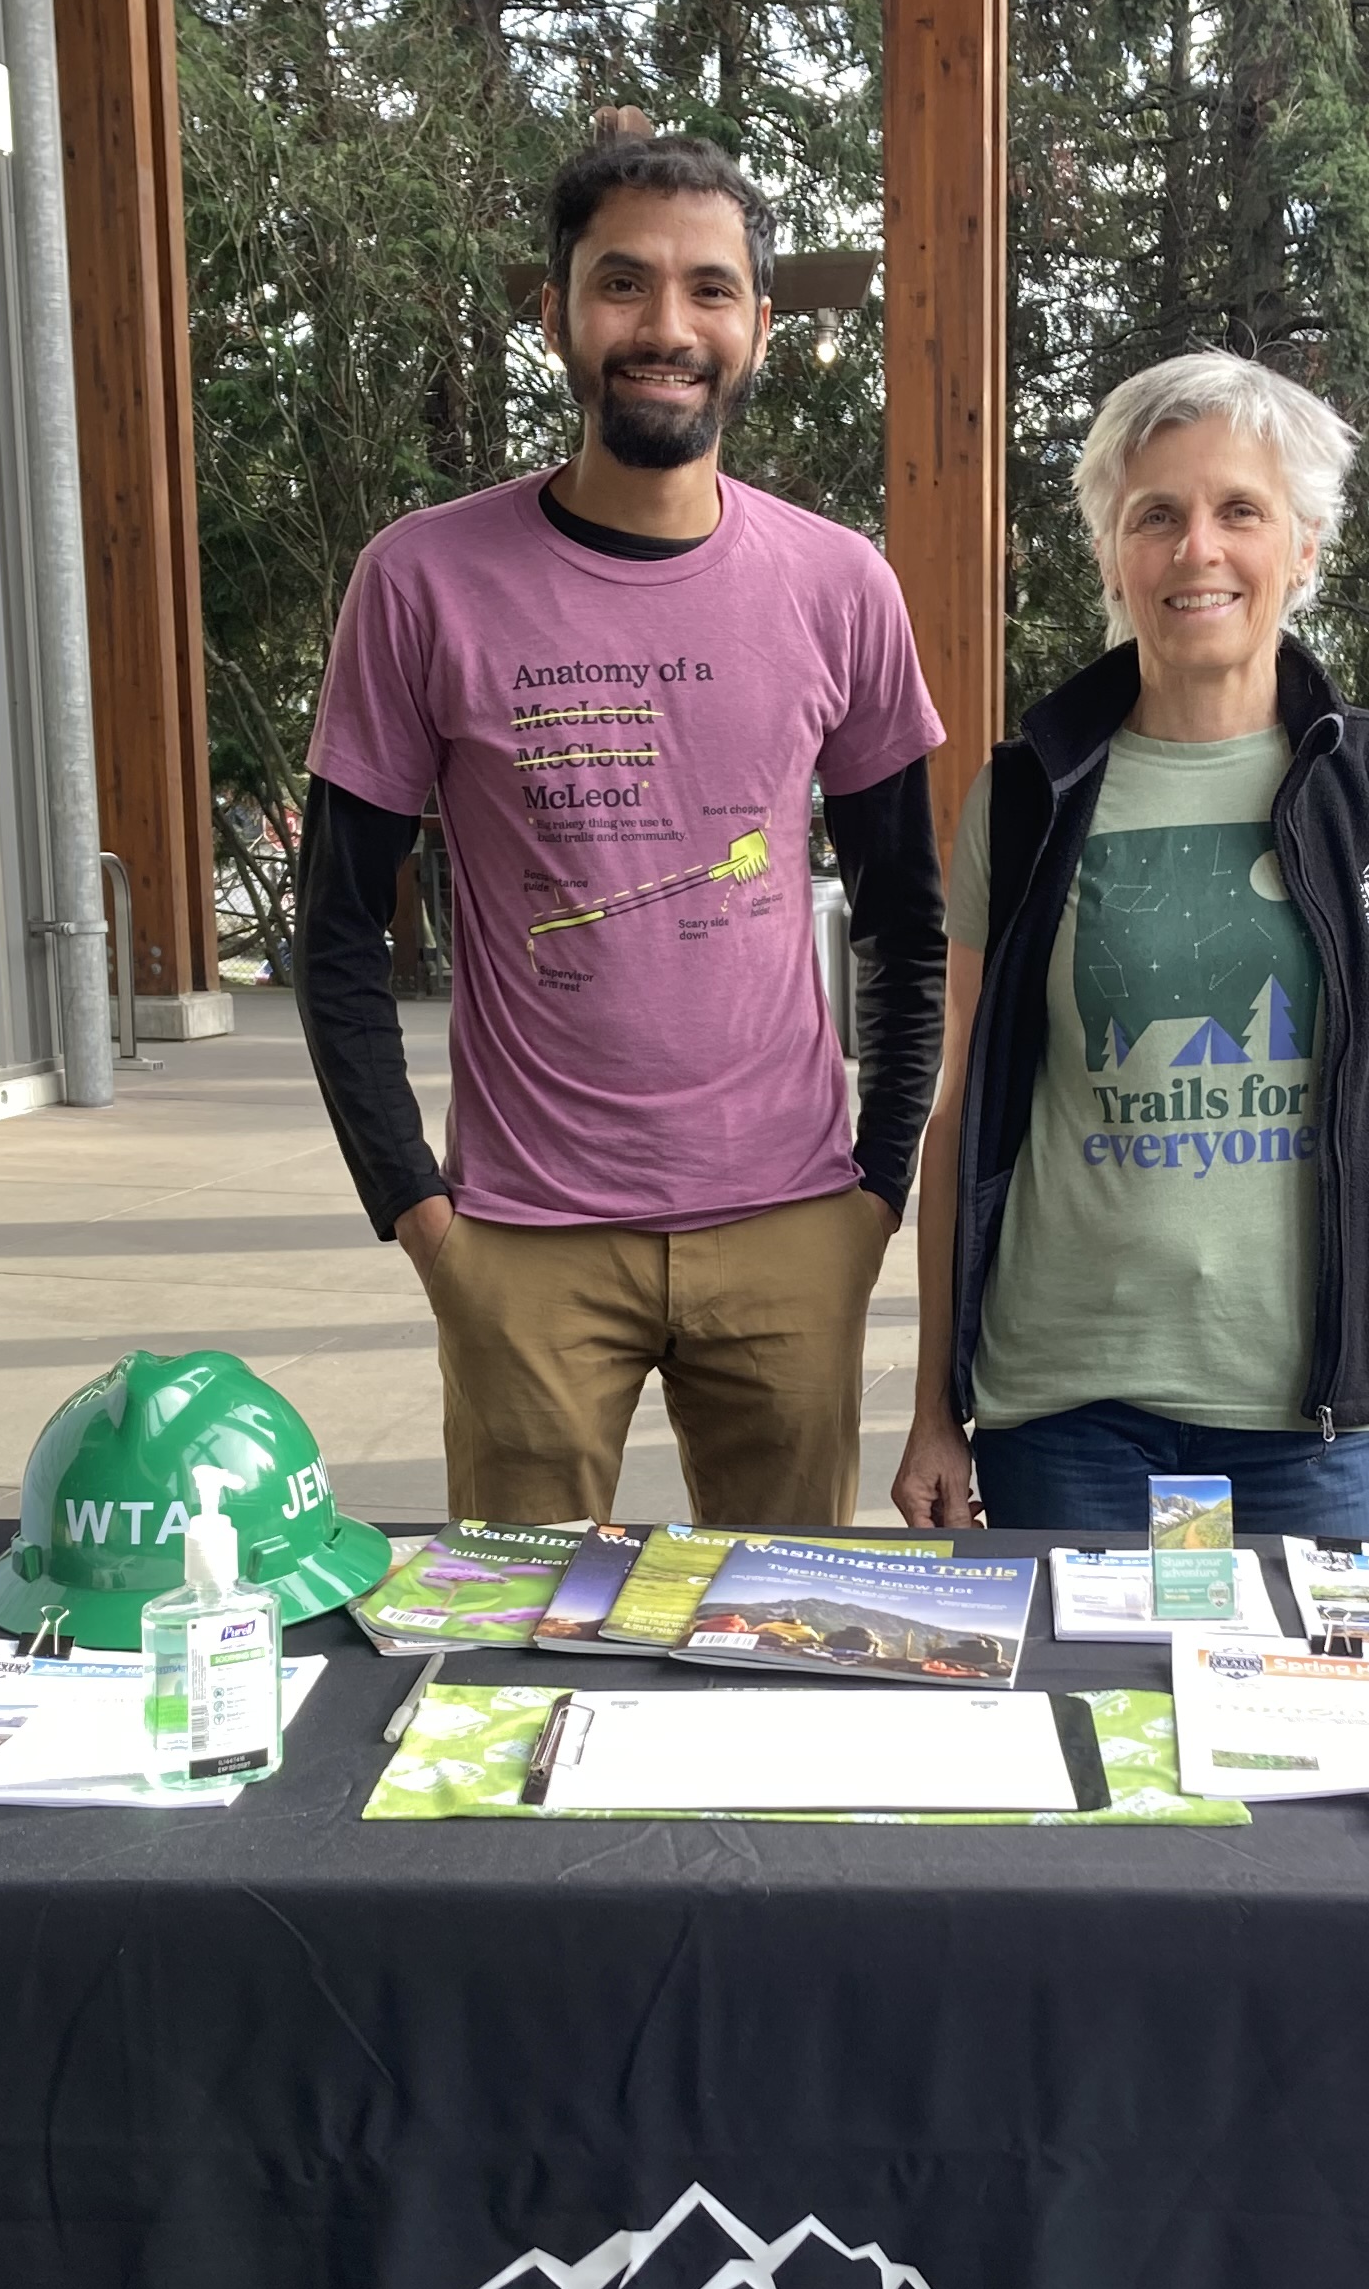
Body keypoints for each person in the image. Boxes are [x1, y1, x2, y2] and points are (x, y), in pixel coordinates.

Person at [296, 124, 947, 1529]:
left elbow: (907, 917)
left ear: (759, 326)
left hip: (791, 1226)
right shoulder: (420, 582)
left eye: (711, 290)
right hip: (524, 1244)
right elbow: (338, 928)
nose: (668, 327)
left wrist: (875, 1193)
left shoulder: (843, 587)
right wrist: (419, 1214)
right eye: (623, 284)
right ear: (556, 316)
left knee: (786, 1655)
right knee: (516, 1659)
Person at [890, 354, 1369, 1540]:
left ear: (1303, 547)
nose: (1195, 548)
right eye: (1154, 515)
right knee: (1081, 1721)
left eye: (1240, 511)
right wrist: (933, 1406)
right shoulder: (1025, 798)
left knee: (1310, 1723)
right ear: (1113, 554)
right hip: (1067, 1408)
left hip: (1313, 1426)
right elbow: (968, 1112)